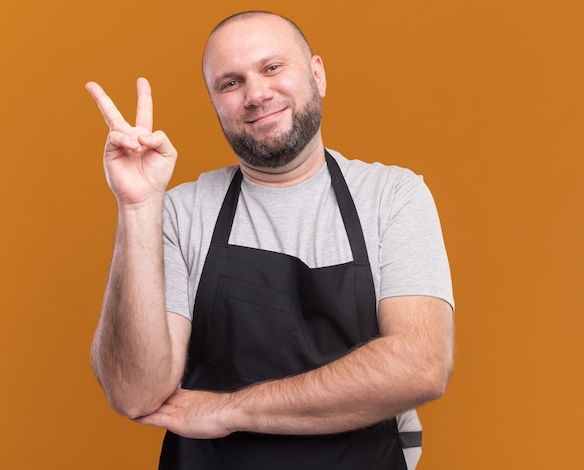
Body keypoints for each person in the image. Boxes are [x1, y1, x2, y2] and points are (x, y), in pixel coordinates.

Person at [86, 10, 454, 470]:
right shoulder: (180, 212)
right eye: (230, 83)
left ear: (317, 75)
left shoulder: (393, 196)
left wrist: (230, 410)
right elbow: (134, 392)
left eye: (272, 67)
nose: (256, 94)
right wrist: (138, 209)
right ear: (215, 103)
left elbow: (419, 366)